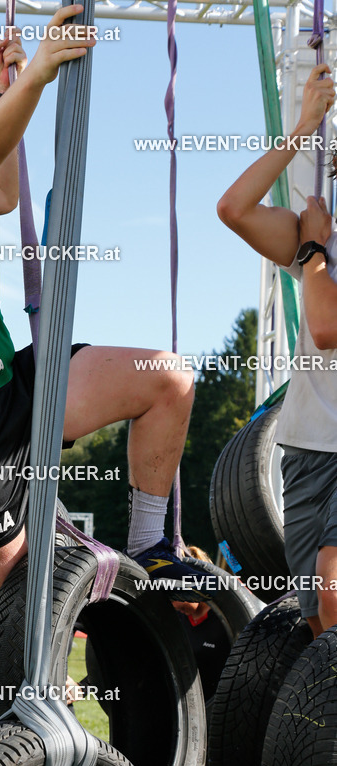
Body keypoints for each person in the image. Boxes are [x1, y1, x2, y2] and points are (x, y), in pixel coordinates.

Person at [0, 15, 218, 621]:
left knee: (168, 378)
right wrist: (38, 77)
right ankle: (32, 709)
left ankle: (151, 546)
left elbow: (0, 192)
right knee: (20, 625)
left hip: (10, 383)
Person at [218, 64, 337, 638]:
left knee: (334, 595)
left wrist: (312, 250)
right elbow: (233, 208)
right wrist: (301, 129)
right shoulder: (323, 232)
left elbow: (327, 325)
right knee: (317, 620)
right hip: (308, 451)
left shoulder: (318, 242)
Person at [169, 545, 238, 766]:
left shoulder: (229, 621)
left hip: (221, 752)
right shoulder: (173, 621)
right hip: (184, 748)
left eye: (182, 591)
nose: (177, 600)